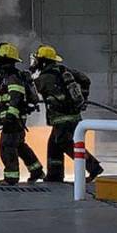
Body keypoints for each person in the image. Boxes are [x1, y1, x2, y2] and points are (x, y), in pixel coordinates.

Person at [31, 44, 103, 183]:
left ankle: (93, 167)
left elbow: (33, 90)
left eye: (38, 60)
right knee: (54, 145)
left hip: (61, 118)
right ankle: (54, 175)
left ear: (43, 61)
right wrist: (83, 99)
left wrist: (29, 74)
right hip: (73, 115)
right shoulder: (64, 70)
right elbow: (85, 79)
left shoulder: (45, 77)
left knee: (66, 144)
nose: (36, 62)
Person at [0, 42, 44, 185]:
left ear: (4, 59)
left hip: (14, 118)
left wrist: (10, 115)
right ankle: (37, 171)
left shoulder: (11, 76)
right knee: (20, 146)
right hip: (15, 118)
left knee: (7, 146)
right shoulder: (6, 76)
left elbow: (16, 97)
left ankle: (11, 177)